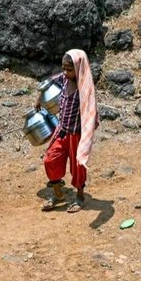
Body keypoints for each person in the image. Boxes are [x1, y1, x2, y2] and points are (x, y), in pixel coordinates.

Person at [39, 49, 98, 213]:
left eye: (69, 69)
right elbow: (48, 82)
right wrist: (39, 99)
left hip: (77, 134)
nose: (65, 72)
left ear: (78, 68)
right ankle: (58, 194)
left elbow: (92, 112)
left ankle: (79, 197)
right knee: (50, 159)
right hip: (62, 130)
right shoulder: (64, 79)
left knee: (78, 166)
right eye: (64, 68)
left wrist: (87, 132)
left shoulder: (85, 88)